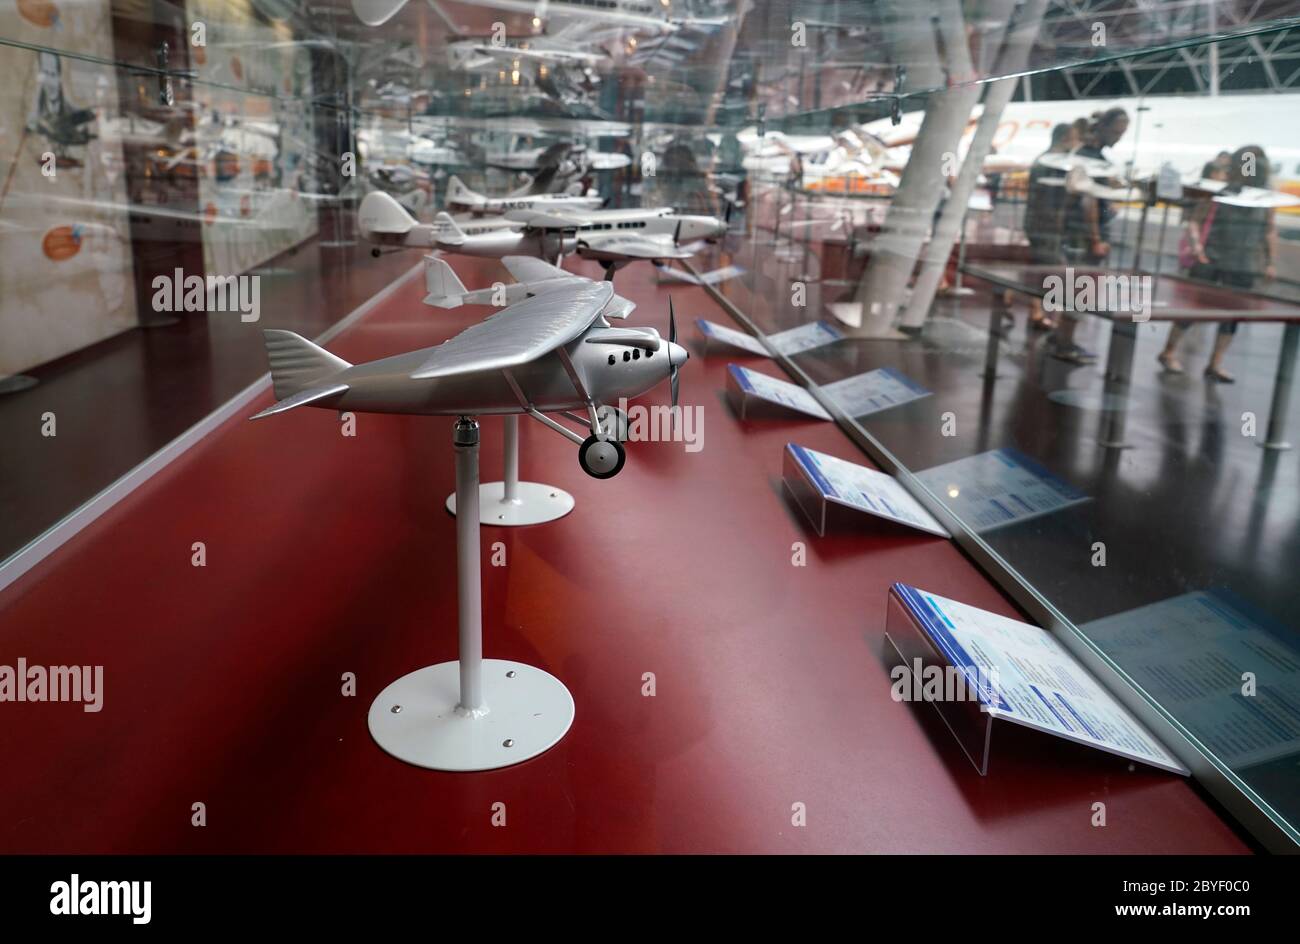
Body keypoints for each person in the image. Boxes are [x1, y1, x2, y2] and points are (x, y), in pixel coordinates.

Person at [1158, 145, 1277, 382]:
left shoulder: (1264, 198)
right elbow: (1195, 221)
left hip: (1242, 261)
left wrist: (1269, 262)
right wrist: (1197, 247)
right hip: (1211, 258)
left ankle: (1215, 363)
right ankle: (1169, 350)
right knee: (1193, 307)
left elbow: (1269, 231)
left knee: (1232, 315)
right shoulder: (1221, 192)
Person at [1050, 107, 1130, 365]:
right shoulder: (1089, 157)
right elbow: (1088, 201)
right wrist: (1096, 238)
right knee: (1080, 290)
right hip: (1084, 237)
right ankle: (1064, 342)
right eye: (1116, 132)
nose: (1119, 137)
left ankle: (1061, 338)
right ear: (1103, 127)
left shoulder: (1093, 156)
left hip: (1079, 235)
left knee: (1076, 289)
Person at [1020, 122, 1080, 330]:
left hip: (1041, 225)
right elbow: (1050, 199)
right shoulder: (1052, 163)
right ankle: (1039, 310)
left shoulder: (1045, 160)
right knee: (1054, 269)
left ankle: (1029, 306)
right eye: (1074, 138)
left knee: (1042, 267)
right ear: (1065, 138)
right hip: (1045, 226)